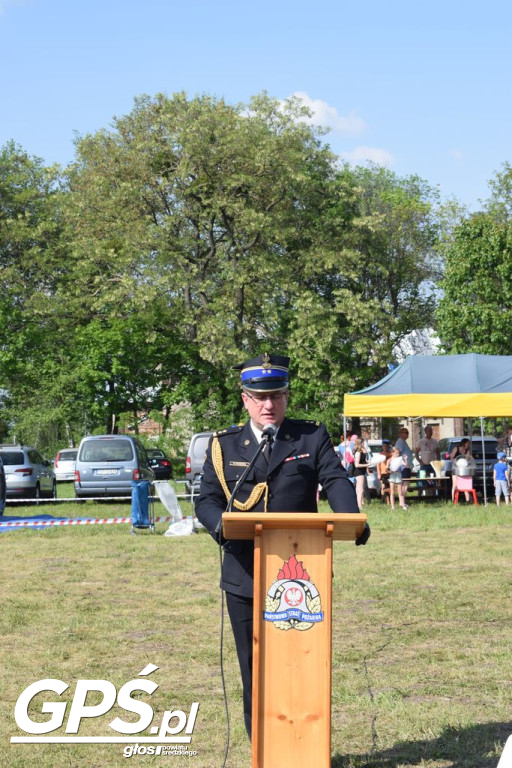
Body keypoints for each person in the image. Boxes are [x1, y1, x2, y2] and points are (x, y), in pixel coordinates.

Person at [195, 353, 369, 738]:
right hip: (244, 574)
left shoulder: (310, 436)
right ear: (245, 400)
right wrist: (220, 529)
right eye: (259, 397)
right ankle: (262, 748)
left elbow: (335, 480)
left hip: (301, 576)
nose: (268, 405)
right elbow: (206, 500)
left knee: (303, 665)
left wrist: (351, 518)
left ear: (287, 396)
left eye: (276, 395)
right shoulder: (225, 445)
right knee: (253, 666)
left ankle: (303, 747)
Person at [450, 438, 474, 502]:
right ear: (464, 443)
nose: (468, 445)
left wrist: (463, 463)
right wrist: (456, 462)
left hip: (463, 470)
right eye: (468, 443)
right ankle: (453, 500)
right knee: (454, 485)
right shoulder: (456, 448)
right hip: (455, 469)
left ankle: (468, 500)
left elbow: (467, 459)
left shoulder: (468, 451)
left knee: (465, 485)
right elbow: (451, 457)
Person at [395, 426, 414, 500]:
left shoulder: (403, 442)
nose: (408, 435)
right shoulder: (400, 441)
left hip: (406, 466)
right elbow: (397, 453)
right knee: (405, 483)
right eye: (406, 433)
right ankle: (402, 501)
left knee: (406, 483)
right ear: (401, 434)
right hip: (403, 467)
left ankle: (402, 500)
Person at [353, 437, 370, 509]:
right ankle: (359, 506)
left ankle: (359, 504)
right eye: (363, 442)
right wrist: (367, 465)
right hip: (359, 472)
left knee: (359, 489)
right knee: (360, 489)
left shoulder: (361, 452)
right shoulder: (358, 453)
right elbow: (357, 465)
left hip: (361, 471)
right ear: (360, 443)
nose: (364, 444)